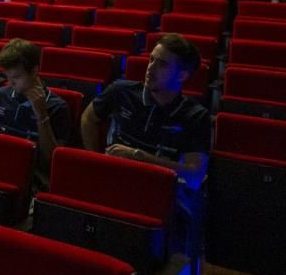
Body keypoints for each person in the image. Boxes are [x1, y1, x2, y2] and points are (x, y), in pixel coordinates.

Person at [80, 33, 209, 255]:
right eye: (151, 60)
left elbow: (194, 176)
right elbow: (89, 118)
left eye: (162, 64)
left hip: (158, 196)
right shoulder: (122, 90)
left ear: (183, 75)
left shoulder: (195, 117)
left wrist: (139, 158)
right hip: (110, 181)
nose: (150, 68)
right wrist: (95, 159)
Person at [0, 39, 70, 182]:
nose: (10, 82)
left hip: (33, 177)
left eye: (16, 77)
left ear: (34, 71)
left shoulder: (57, 106)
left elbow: (51, 162)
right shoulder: (0, 94)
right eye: (7, 76)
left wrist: (42, 116)